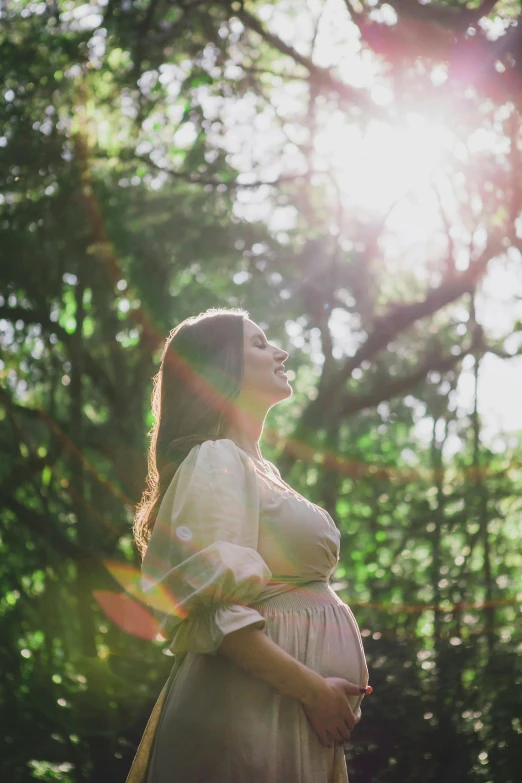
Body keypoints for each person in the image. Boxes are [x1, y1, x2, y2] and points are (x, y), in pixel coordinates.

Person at [127, 307, 370, 783]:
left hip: (277, 709)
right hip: (247, 713)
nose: (280, 352)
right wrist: (314, 692)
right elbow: (216, 613)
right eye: (259, 344)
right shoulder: (216, 460)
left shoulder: (258, 469)